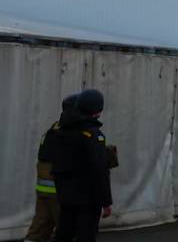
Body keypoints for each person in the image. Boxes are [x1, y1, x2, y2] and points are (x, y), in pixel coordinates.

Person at [52, 89, 112, 242]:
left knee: (64, 234)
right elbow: (100, 171)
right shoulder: (93, 135)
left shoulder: (61, 131)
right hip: (88, 198)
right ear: (97, 110)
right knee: (86, 235)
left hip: (66, 196)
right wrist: (106, 202)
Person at [24, 94, 80, 242]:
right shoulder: (71, 131)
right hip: (60, 192)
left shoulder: (53, 129)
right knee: (68, 231)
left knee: (39, 228)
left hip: (43, 189)